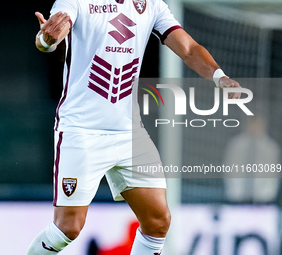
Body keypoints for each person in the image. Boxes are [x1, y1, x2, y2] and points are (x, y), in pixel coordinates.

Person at [27, 0, 241, 254]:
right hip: (82, 130)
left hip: (130, 132)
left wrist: (219, 76)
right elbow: (52, 35)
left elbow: (188, 48)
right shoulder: (77, 1)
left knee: (158, 222)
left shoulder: (152, 5)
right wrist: (46, 40)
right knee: (67, 229)